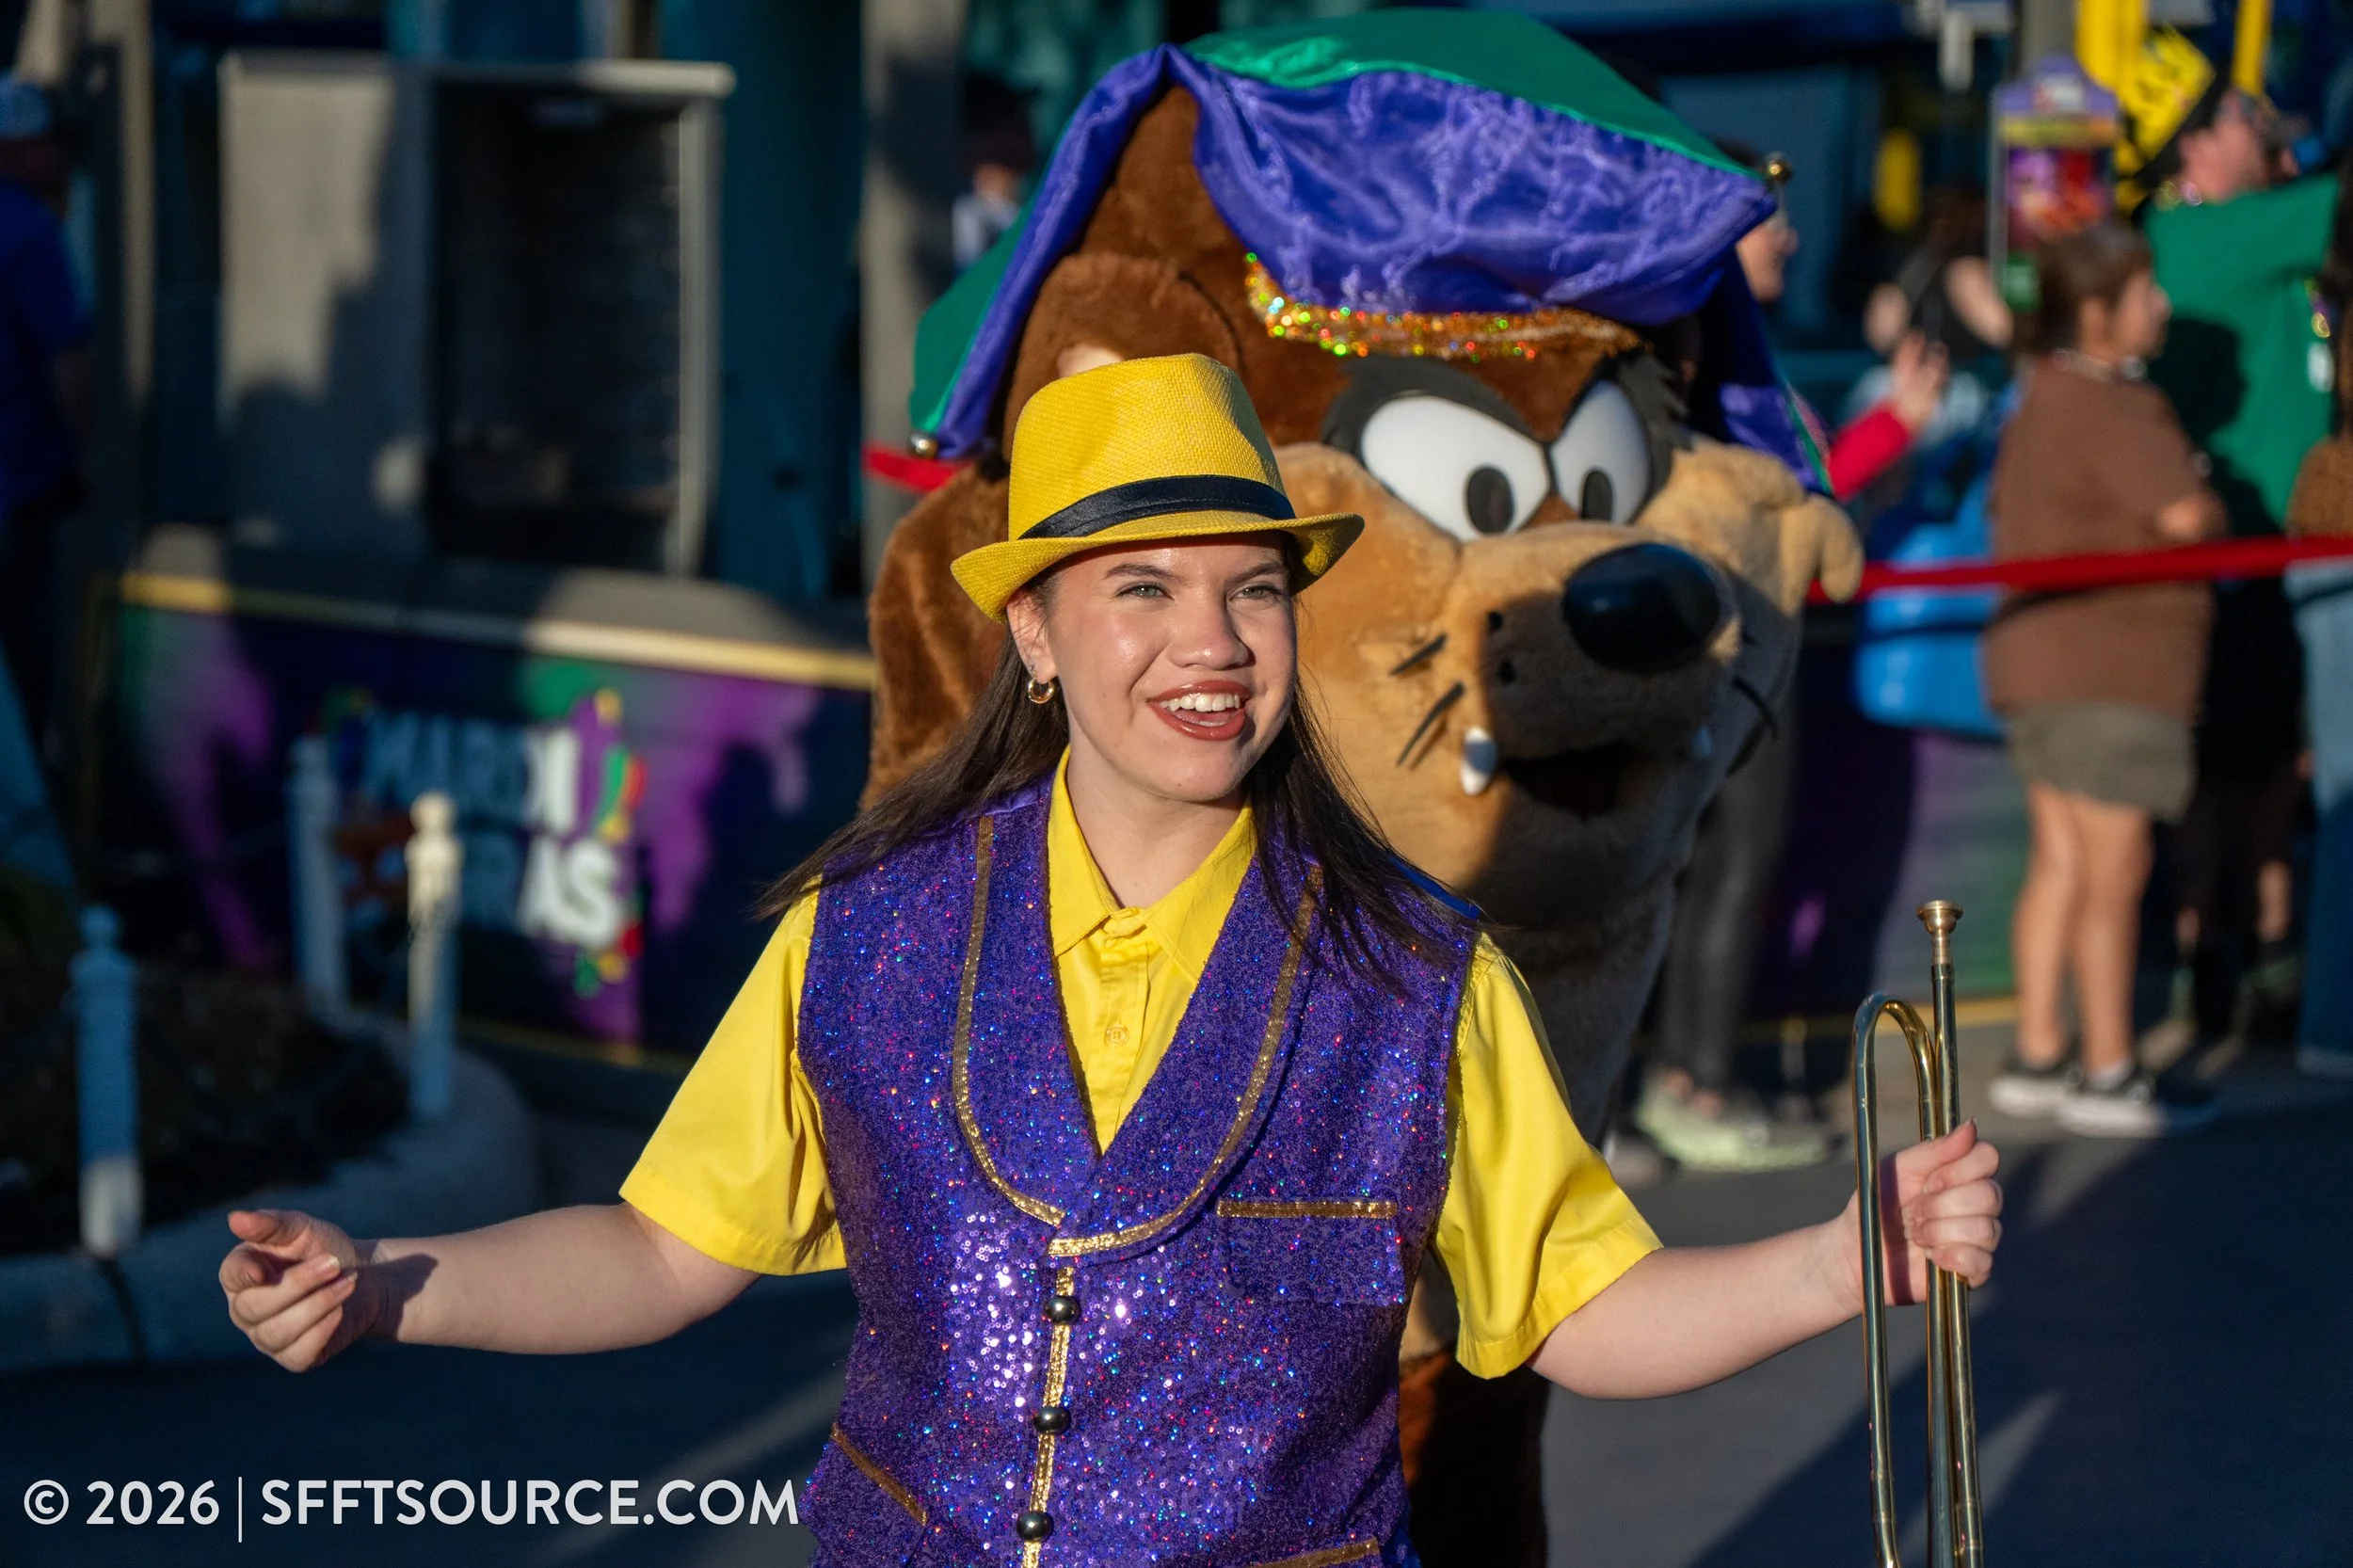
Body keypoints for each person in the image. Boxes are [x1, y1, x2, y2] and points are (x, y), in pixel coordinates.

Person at [216, 356, 2004, 1562]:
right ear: (1036, 635)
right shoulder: (867, 929)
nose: (1209, 643)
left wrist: (1859, 1253)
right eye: (1141, 588)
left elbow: (1583, 1305)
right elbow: (663, 1250)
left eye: (1249, 589)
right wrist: (388, 1282)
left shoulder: (1419, 976)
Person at [1634, 143, 1950, 1175]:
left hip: (1738, 639)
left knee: (1718, 867)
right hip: (1734, 640)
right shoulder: (1712, 354)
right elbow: (1784, 501)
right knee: (1726, 865)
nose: (1792, 235)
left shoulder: (1722, 343)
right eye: (1770, 216)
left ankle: (1682, 1080)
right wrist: (1892, 428)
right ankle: (1693, 1084)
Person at [1981, 226, 2224, 1138]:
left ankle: (2041, 1050)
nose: (2158, 306)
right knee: (2113, 872)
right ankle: (2108, 1068)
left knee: (2063, 864)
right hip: (2109, 672)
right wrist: (2202, 494)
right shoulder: (2113, 405)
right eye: (2143, 292)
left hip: (2038, 663)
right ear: (2097, 311)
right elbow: (2185, 513)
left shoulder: (2039, 394)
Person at [2123, 31, 2329, 1044]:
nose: (2266, 131)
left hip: (2239, 548)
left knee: (2240, 770)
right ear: (2195, 146)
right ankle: (2241, 968)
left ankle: (2232, 962)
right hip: (2251, 552)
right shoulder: (2228, 232)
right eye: (2246, 117)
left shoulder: (2191, 234)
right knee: (2249, 773)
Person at [0, 73, 89, 771]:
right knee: (24, 668)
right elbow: (68, 361)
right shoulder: (29, 231)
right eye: (47, 145)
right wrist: (93, 459)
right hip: (21, 483)